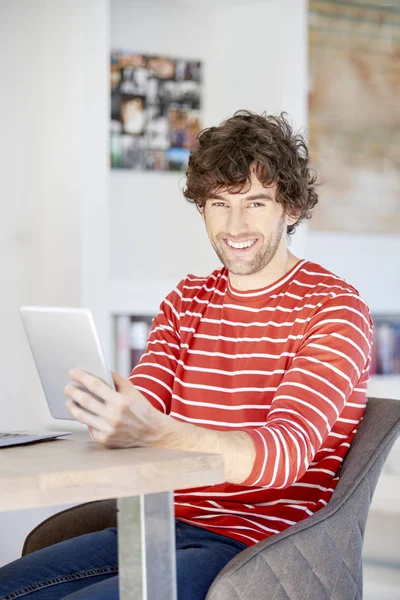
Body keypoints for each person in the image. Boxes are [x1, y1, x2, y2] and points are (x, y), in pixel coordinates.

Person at [0, 111, 373, 600]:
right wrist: (111, 414)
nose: (235, 225)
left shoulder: (333, 308)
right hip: (160, 524)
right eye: (219, 203)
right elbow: (144, 409)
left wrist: (153, 430)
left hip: (258, 549)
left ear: (292, 208)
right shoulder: (187, 301)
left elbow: (283, 456)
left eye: (255, 202)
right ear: (202, 207)